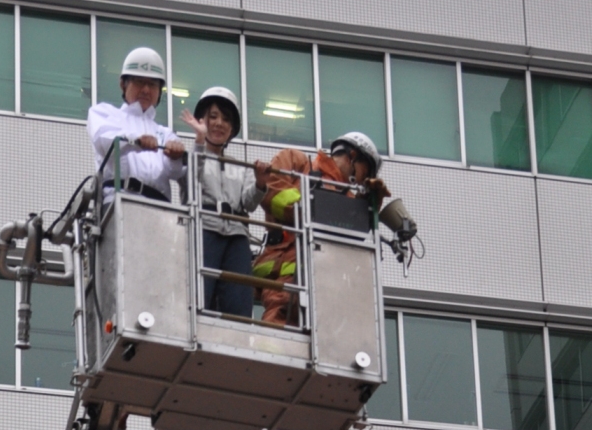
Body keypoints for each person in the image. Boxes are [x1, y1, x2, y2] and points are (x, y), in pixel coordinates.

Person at [252, 132, 417, 327]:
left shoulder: (347, 199)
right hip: (284, 273)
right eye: (367, 171)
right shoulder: (296, 162)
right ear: (353, 156)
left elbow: (355, 237)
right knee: (278, 324)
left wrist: (370, 202)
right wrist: (315, 210)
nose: (366, 178)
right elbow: (271, 192)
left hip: (326, 282)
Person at [183, 86, 261, 319]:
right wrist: (198, 141)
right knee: (201, 295)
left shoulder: (243, 167)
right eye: (213, 117)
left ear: (232, 129)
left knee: (238, 301)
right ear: (202, 121)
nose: (219, 123)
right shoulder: (193, 157)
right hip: (205, 228)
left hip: (237, 234)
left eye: (226, 119)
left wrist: (261, 184)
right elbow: (190, 188)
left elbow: (249, 203)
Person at [87, 45, 187, 202]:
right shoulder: (105, 113)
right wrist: (137, 141)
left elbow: (175, 173)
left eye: (153, 84)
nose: (146, 90)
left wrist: (176, 157)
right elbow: (105, 142)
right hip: (118, 203)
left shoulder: (165, 133)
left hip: (159, 209)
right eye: (140, 82)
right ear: (123, 84)